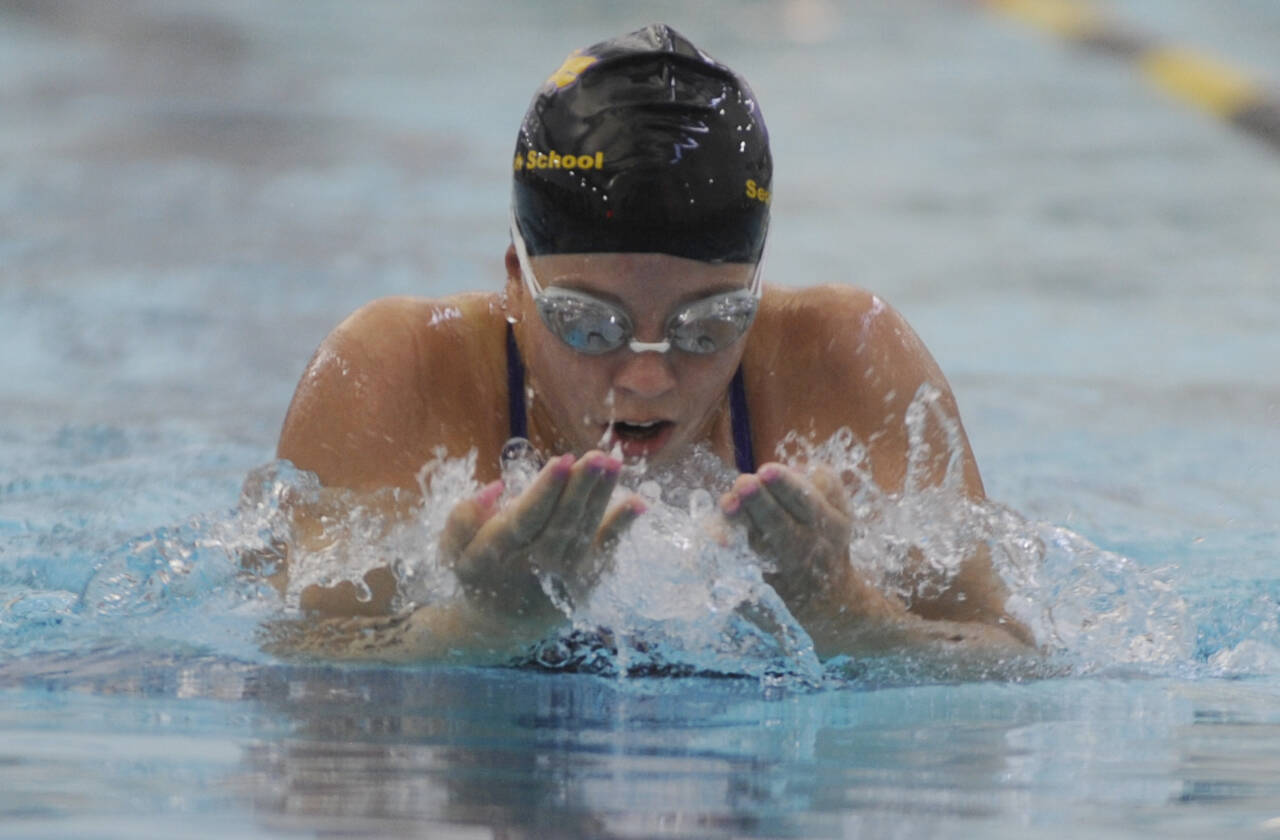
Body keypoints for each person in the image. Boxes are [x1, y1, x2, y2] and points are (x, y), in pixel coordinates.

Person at [270, 24, 1034, 664]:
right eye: (588, 325)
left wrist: (843, 612)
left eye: (705, 327)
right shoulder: (394, 375)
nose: (645, 380)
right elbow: (294, 664)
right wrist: (481, 627)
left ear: (755, 298)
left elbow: (1008, 660)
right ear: (514, 281)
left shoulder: (846, 361)